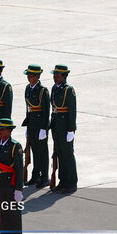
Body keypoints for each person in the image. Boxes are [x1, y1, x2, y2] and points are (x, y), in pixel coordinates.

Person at [50, 64, 77, 194]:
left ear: (64, 76)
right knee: (59, 153)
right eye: (54, 75)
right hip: (56, 126)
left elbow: (72, 111)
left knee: (68, 155)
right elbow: (54, 109)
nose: (55, 77)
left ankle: (72, 182)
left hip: (65, 126)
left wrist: (71, 130)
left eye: (58, 75)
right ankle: (63, 180)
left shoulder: (68, 90)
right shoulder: (55, 88)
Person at [22, 64, 50, 188]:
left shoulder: (43, 90)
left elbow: (46, 111)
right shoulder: (28, 88)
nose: (29, 77)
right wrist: (27, 126)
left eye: (31, 75)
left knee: (42, 152)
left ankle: (45, 177)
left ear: (38, 76)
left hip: (40, 125)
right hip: (32, 124)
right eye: (28, 75)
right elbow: (28, 109)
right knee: (34, 151)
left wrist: (44, 128)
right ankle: (35, 175)